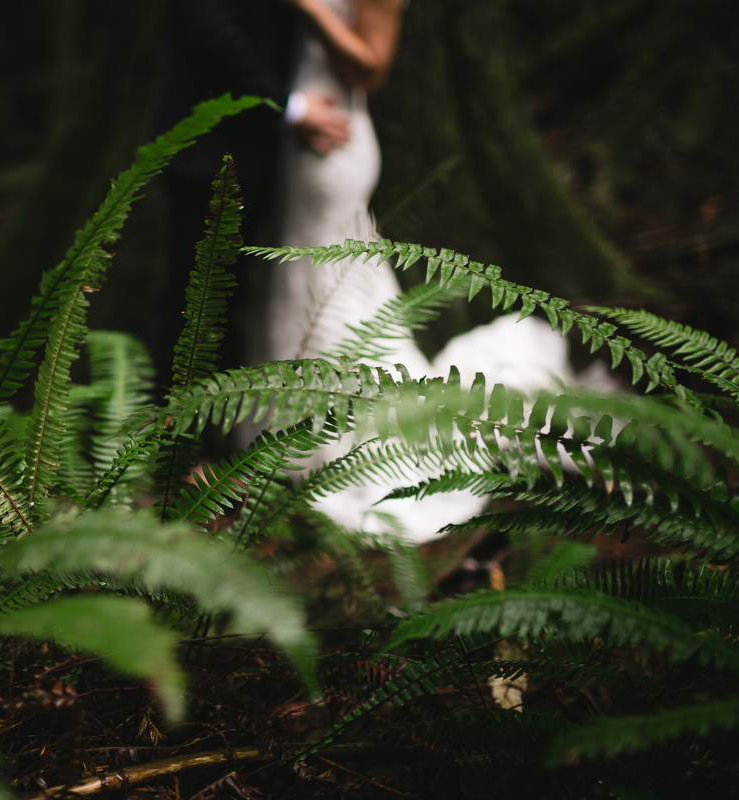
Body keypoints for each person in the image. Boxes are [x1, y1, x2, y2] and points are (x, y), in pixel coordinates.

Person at [259, 0, 608, 541]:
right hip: (299, 137)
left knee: (329, 285)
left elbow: (373, 66)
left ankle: (329, 439)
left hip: (331, 143)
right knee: (303, 281)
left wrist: (313, 11)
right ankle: (286, 428)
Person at [148, 0, 352, 389]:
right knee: (194, 306)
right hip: (206, 153)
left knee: (225, 302)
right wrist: (288, 108)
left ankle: (203, 433)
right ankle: (173, 439)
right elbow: (210, 33)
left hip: (253, 155)